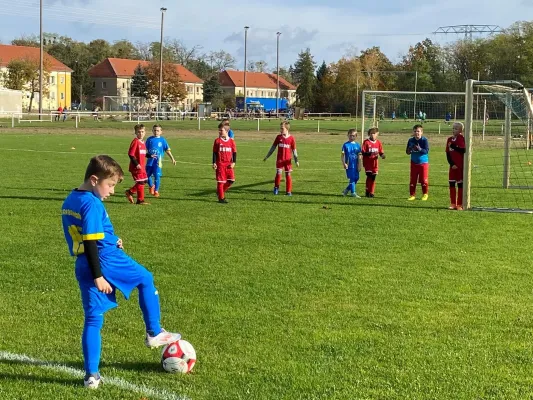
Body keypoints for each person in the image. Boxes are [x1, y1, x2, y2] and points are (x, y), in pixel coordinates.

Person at [61, 155, 181, 389]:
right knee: (146, 279)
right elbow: (92, 242)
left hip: (84, 263)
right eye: (111, 185)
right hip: (104, 260)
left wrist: (113, 239)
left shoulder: (71, 199)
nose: (113, 191)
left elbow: (88, 235)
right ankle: (154, 332)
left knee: (93, 319)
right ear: (94, 180)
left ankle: (91, 376)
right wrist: (99, 275)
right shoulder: (92, 203)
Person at [263, 121, 299, 196]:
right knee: (278, 173)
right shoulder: (278, 137)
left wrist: (296, 161)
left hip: (287, 160)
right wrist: (267, 156)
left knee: (288, 174)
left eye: (282, 128)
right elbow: (273, 148)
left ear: (287, 128)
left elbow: (294, 150)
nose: (280, 130)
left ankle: (288, 191)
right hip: (280, 159)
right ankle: (276, 188)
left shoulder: (291, 138)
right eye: (280, 128)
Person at [145, 124, 176, 198]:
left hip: (158, 162)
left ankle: (156, 191)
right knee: (146, 176)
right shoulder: (149, 139)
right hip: (149, 162)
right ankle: (151, 186)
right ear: (152, 131)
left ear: (161, 131)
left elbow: (167, 150)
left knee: (157, 176)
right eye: (155, 130)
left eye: (158, 130)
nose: (156, 132)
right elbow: (144, 150)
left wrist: (172, 159)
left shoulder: (162, 140)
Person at [125, 124, 149, 205]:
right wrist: (136, 164)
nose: (141, 133)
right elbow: (131, 154)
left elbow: (143, 153)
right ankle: (140, 200)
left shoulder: (143, 142)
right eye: (139, 132)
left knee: (144, 181)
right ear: (135, 132)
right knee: (141, 182)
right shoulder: (135, 141)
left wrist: (149, 155)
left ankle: (130, 192)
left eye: (142, 132)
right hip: (136, 167)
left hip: (142, 166)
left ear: (145, 132)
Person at [212, 122, 237, 203]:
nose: (219, 132)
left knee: (231, 180)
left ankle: (220, 191)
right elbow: (214, 152)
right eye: (219, 130)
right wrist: (214, 162)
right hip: (220, 164)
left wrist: (234, 162)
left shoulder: (231, 141)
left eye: (221, 130)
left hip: (229, 164)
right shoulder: (217, 141)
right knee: (221, 181)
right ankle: (221, 198)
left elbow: (234, 152)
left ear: (226, 131)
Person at [406, 124, 430, 201]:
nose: (417, 133)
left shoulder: (424, 140)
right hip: (413, 162)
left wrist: (419, 149)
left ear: (421, 132)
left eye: (418, 131)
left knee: (423, 180)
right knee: (413, 179)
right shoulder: (410, 140)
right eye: (415, 131)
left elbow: (426, 151)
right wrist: (409, 149)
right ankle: (412, 195)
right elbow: (407, 152)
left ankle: (425, 194)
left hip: (423, 163)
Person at [446, 122, 466, 210]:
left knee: (460, 184)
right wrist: (451, 164)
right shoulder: (449, 139)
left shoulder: (461, 138)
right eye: (453, 128)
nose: (454, 130)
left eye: (456, 128)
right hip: (452, 166)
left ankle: (460, 204)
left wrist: (453, 146)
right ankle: (453, 203)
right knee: (451, 184)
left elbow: (463, 150)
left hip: (460, 167)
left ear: (461, 130)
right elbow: (447, 153)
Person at [361, 127, 385, 198]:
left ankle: (372, 192)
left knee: (373, 177)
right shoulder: (366, 142)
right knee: (369, 176)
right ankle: (367, 190)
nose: (372, 135)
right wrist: (369, 153)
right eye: (371, 133)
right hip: (368, 163)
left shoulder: (378, 143)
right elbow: (363, 152)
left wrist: (383, 155)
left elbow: (381, 152)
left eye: (374, 133)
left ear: (377, 134)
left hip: (375, 163)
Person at [341, 129, 362, 197]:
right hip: (349, 165)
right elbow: (342, 155)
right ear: (348, 135)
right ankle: (353, 192)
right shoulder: (345, 145)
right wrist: (344, 163)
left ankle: (346, 190)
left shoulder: (358, 145)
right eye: (350, 136)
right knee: (352, 178)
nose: (351, 137)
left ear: (356, 136)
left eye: (353, 136)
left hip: (356, 165)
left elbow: (359, 156)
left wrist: (359, 165)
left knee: (357, 178)